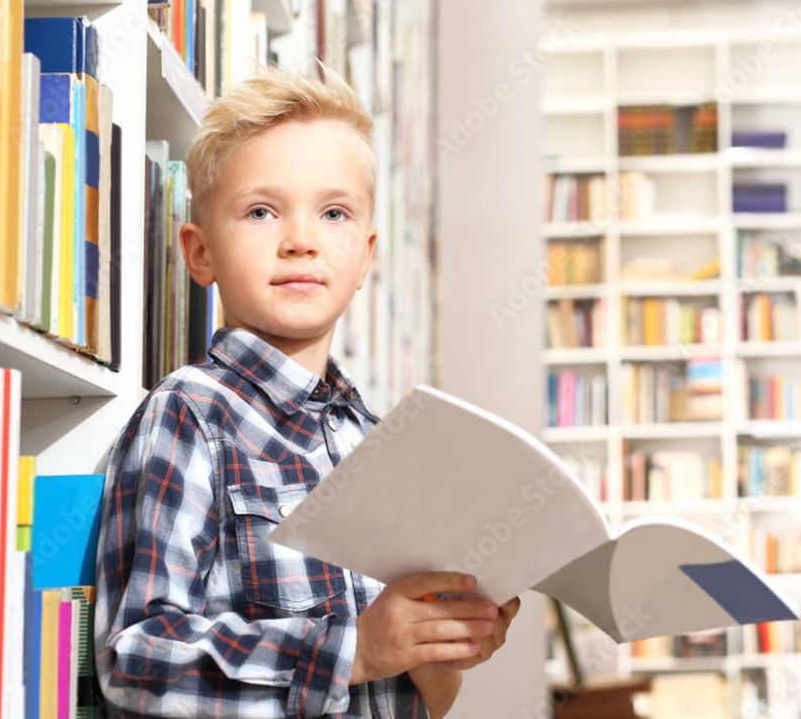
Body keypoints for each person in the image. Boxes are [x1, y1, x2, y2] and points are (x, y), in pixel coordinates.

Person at [93, 65, 521, 717]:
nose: (300, 241)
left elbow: (424, 700)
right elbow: (138, 659)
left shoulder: (381, 440)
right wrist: (357, 652)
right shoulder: (191, 414)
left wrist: (441, 645)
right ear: (199, 251)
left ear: (366, 255)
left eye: (334, 212)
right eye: (261, 211)